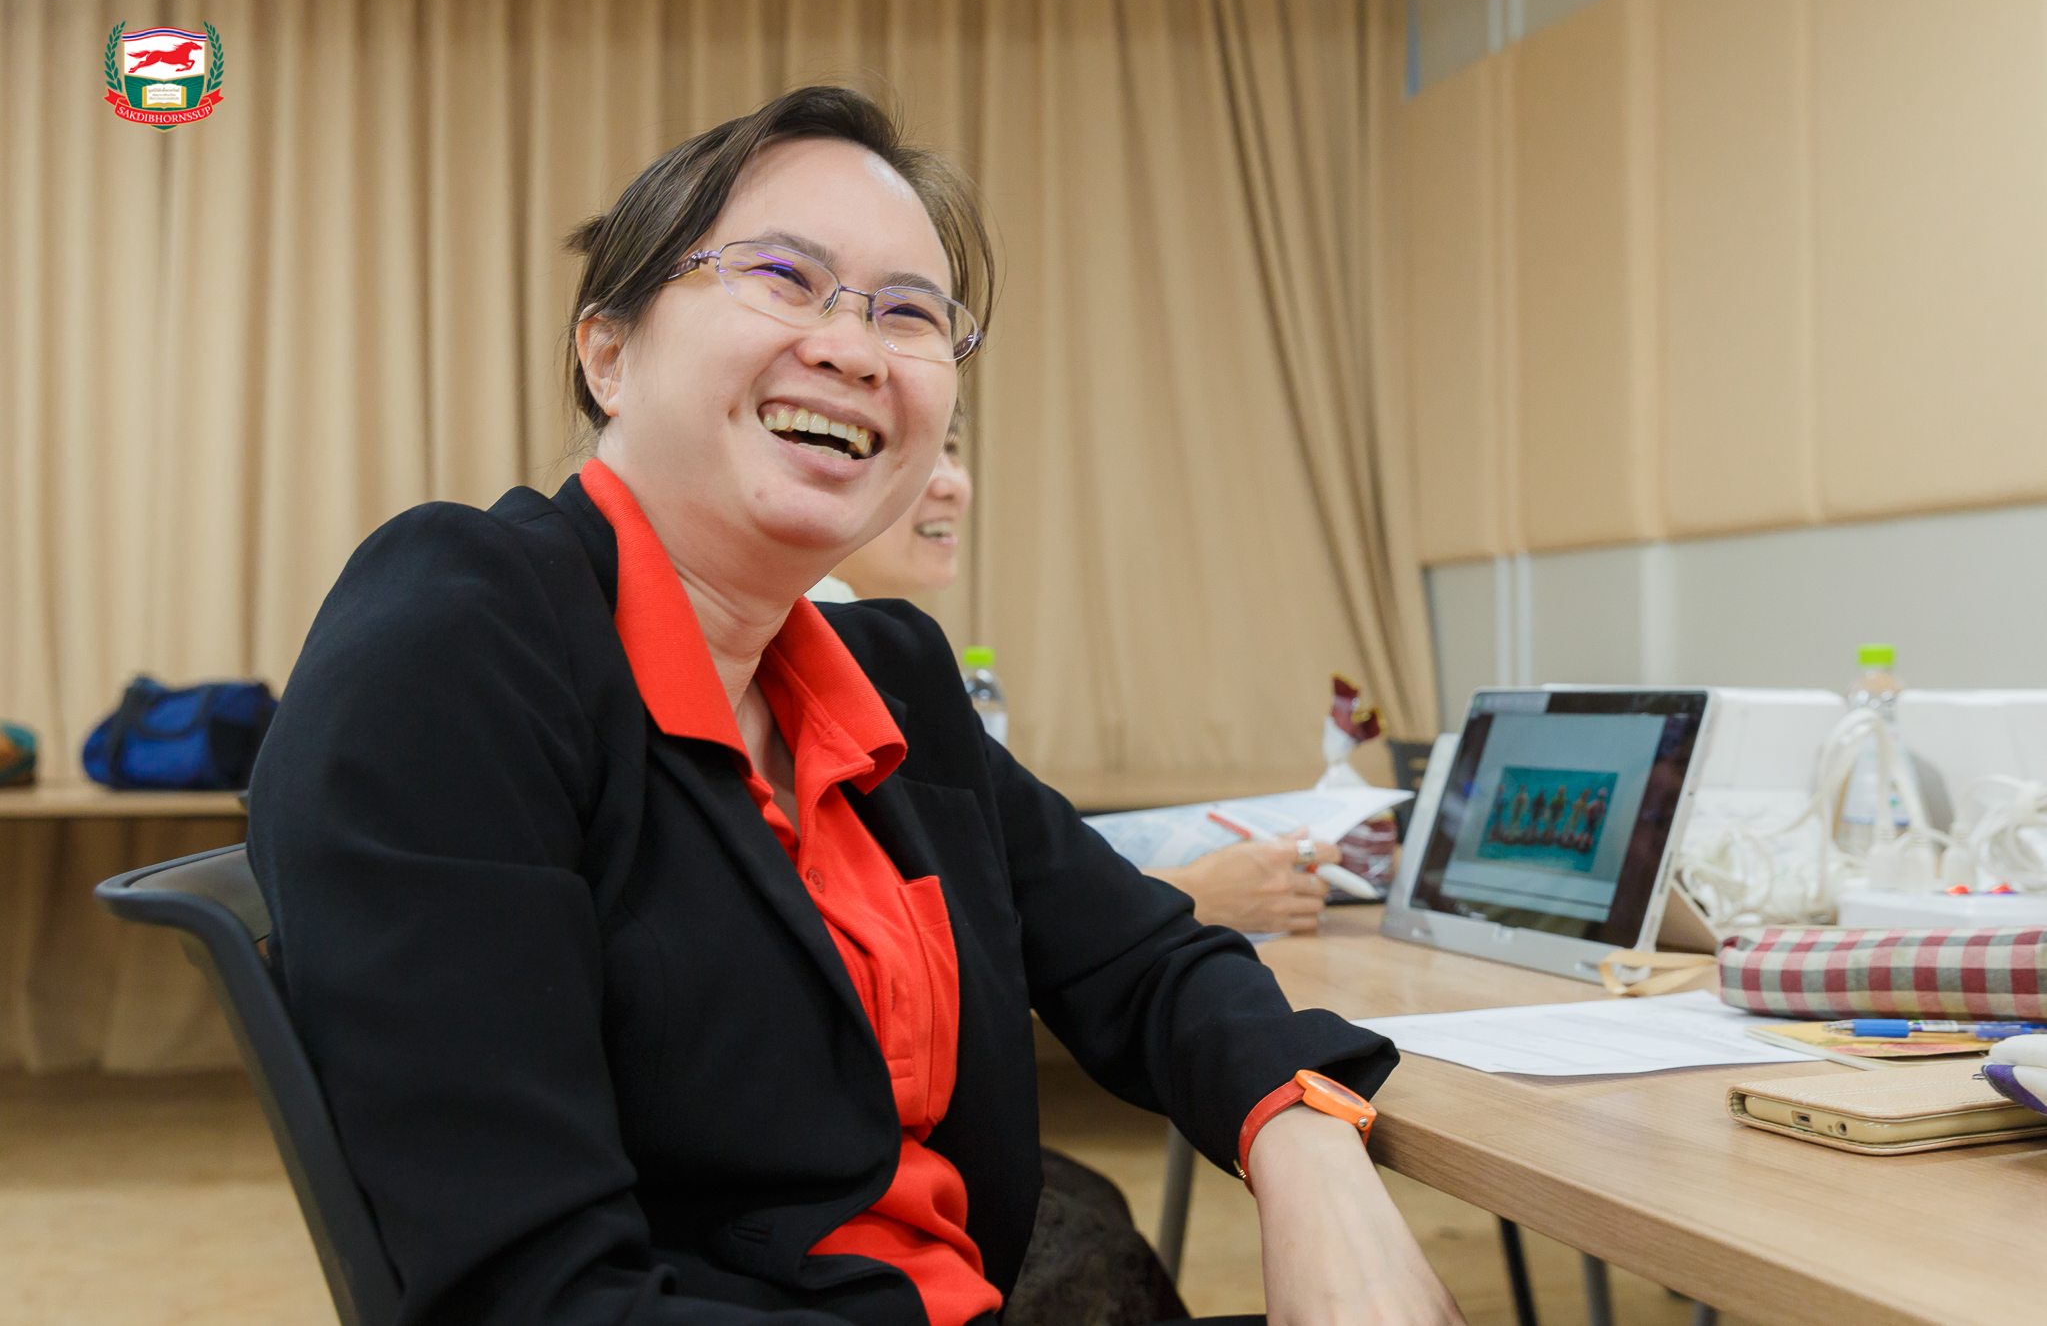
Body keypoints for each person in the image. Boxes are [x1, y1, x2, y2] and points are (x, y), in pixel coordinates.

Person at [249, 86, 1462, 1326]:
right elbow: (529, 1294)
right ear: (608, 355)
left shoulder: (889, 678)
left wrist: (1304, 1145)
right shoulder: (462, 636)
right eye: (784, 277)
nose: (854, 348)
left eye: (909, 312)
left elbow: (1146, 959)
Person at [812, 423, 1338, 938]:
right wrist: (1199, 893)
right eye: (902, 445)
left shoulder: (890, 645)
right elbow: (956, 912)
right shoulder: (826, 646)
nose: (951, 483)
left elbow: (999, 868)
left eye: (950, 448)